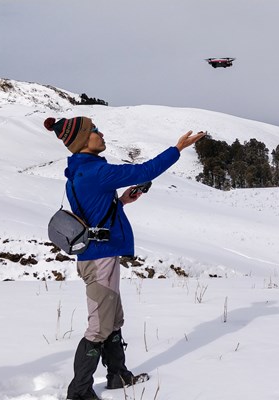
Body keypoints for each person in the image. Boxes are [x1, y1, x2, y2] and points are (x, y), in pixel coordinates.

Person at [44, 116, 205, 400]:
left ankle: (118, 376)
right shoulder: (97, 171)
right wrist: (177, 148)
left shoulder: (79, 173)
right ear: (83, 141)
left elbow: (93, 213)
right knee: (99, 326)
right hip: (99, 259)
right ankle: (79, 391)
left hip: (97, 255)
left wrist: (121, 202)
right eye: (94, 131)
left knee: (113, 319)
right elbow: (146, 170)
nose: (100, 133)